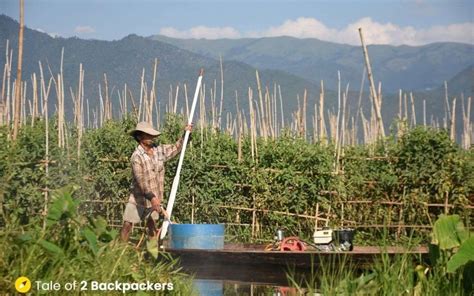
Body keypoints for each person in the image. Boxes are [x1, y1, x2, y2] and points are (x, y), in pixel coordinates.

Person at [120, 121, 192, 242]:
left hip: (155, 199)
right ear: (139, 137)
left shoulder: (158, 150)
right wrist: (152, 198)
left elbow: (176, 148)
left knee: (152, 227)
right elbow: (141, 181)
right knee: (127, 225)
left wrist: (186, 135)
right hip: (138, 199)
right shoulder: (136, 156)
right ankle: (118, 251)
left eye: (151, 135)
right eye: (148, 135)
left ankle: (152, 255)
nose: (151, 138)